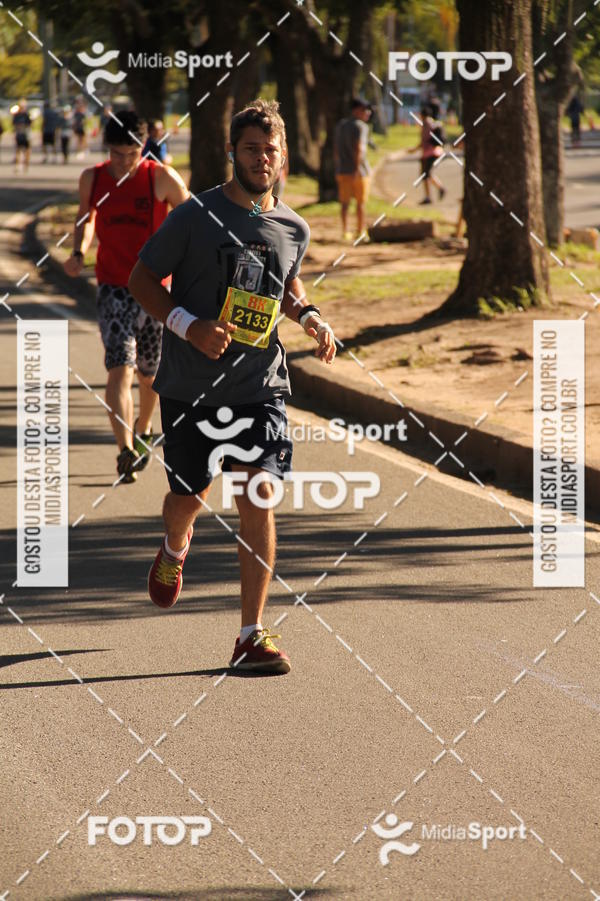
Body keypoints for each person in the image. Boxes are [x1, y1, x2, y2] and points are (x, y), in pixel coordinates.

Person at [128, 99, 337, 674]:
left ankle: (251, 633)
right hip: (190, 386)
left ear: (283, 155)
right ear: (232, 153)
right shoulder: (195, 215)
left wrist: (311, 317)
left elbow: (285, 285)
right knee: (187, 500)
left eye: (271, 150)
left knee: (258, 496)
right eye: (251, 149)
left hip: (258, 383)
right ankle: (175, 544)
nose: (261, 158)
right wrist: (188, 325)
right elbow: (141, 277)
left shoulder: (293, 225)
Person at [63, 110, 188, 482]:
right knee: (120, 367)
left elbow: (192, 218)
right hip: (113, 288)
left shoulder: (160, 178)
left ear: (143, 147)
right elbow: (86, 221)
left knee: (150, 376)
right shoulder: (94, 178)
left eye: (130, 153)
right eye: (116, 153)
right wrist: (77, 252)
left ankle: (144, 428)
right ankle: (125, 450)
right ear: (107, 149)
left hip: (154, 289)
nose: (123, 162)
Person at [334, 98, 373, 241]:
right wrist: (357, 169)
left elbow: (336, 150)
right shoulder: (361, 126)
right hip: (360, 171)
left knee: (344, 203)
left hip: (342, 170)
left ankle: (345, 231)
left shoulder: (340, 125)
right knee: (360, 203)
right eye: (364, 110)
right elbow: (360, 149)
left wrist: (338, 166)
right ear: (356, 110)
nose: (367, 113)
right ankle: (360, 231)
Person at [408, 104, 446, 205]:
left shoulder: (426, 124)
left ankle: (431, 195)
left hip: (429, 153)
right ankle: (436, 191)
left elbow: (424, 141)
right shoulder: (433, 123)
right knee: (427, 174)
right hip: (436, 152)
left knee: (425, 175)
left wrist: (414, 150)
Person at [12, 99, 32, 173]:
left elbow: (29, 124)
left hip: (25, 134)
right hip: (20, 134)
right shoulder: (17, 115)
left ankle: (25, 166)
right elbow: (14, 125)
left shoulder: (26, 115)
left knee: (26, 151)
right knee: (18, 150)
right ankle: (18, 166)